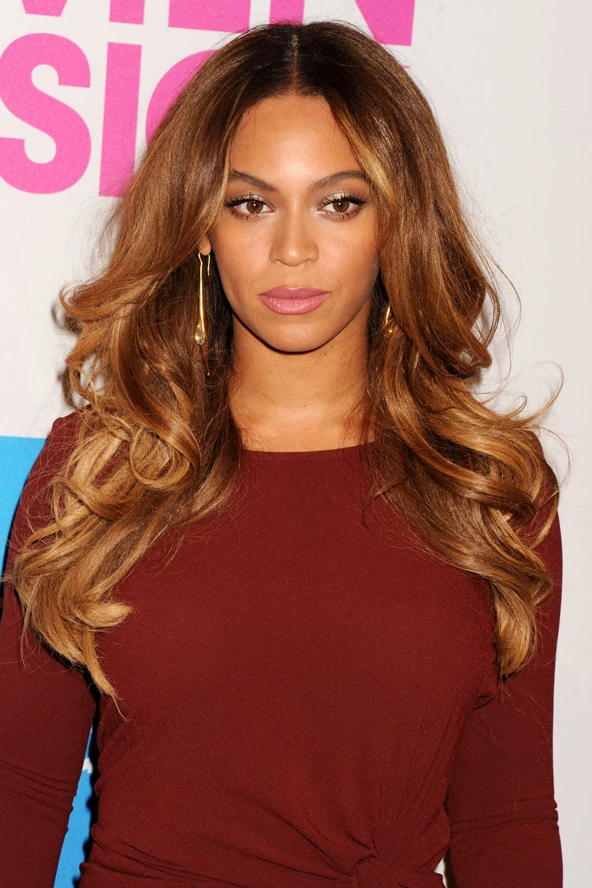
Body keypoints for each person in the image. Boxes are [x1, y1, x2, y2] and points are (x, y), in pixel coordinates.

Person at [0, 19, 564, 888]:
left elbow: (505, 822)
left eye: (340, 202)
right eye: (250, 203)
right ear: (200, 224)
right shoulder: (97, 474)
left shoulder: (487, 490)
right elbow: (19, 796)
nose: (292, 249)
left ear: (395, 222)